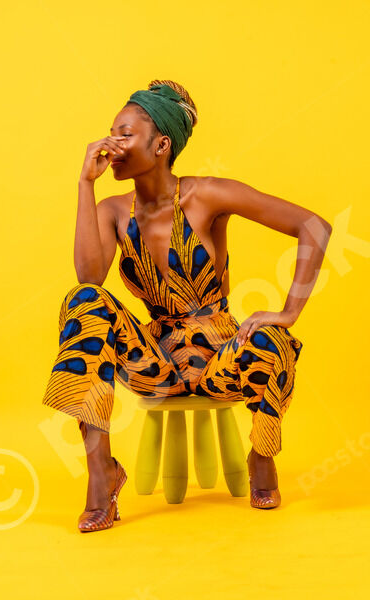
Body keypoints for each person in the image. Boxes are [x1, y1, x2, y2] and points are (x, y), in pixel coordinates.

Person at [42, 79, 332, 532]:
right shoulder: (113, 211)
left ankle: (261, 455)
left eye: (124, 134)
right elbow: (89, 278)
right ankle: (102, 474)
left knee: (273, 338)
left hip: (221, 360)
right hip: (156, 365)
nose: (111, 144)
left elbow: (313, 226)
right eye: (110, 133)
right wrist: (84, 184)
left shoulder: (208, 194)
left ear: (161, 146)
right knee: (83, 301)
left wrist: (287, 312)